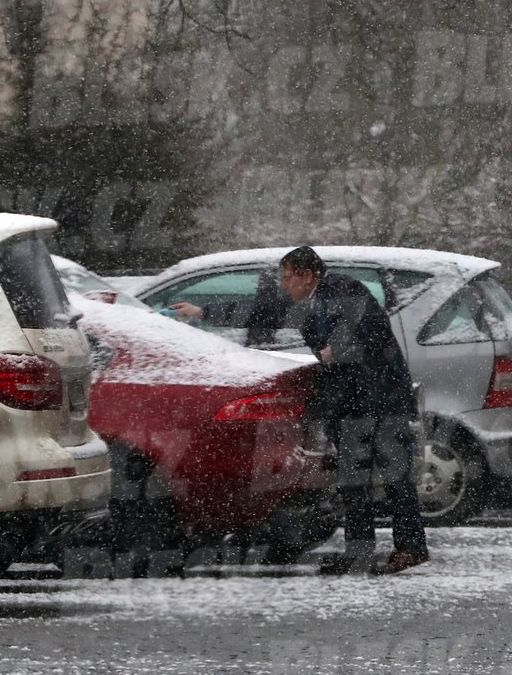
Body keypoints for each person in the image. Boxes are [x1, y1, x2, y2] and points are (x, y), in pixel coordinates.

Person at [172, 246, 429, 575]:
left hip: (379, 396)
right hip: (352, 402)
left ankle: (410, 548)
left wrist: (338, 347)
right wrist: (201, 312)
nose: (284, 284)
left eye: (288, 277)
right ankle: (360, 553)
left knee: (394, 475)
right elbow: (257, 312)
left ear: (308, 276)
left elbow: (361, 323)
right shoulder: (304, 304)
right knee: (354, 481)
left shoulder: (344, 288)